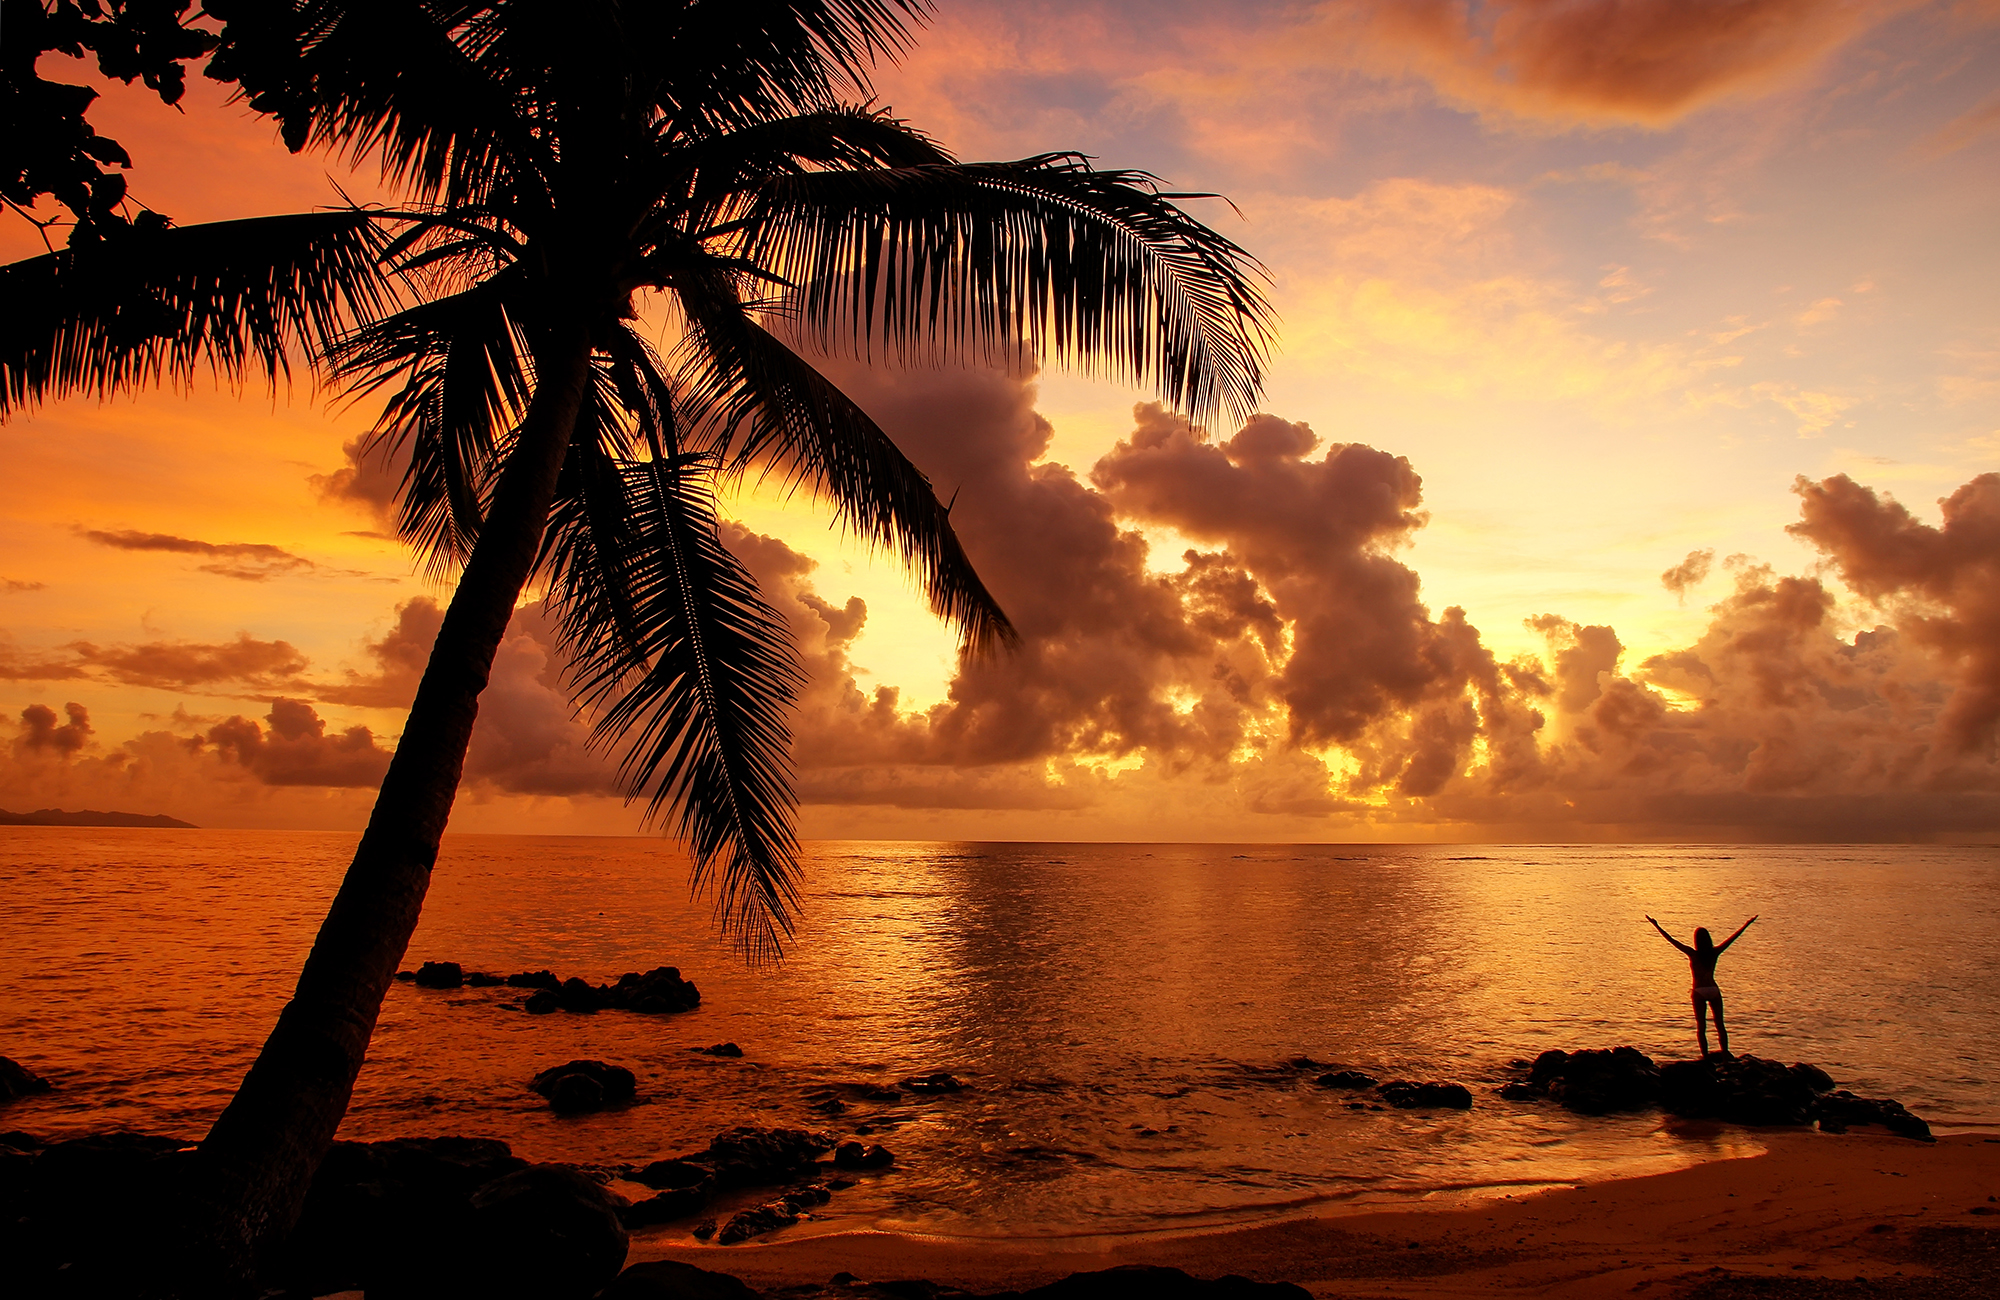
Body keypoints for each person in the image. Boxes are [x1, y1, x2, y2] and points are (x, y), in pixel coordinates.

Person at [1647, 914, 1757, 1058]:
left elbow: (1672, 940)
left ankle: (1705, 1057)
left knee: (1701, 1027)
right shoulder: (1714, 952)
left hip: (1699, 990)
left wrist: (1656, 926)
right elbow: (1732, 938)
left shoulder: (1693, 954)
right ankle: (1725, 1054)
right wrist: (1747, 924)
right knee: (1720, 1025)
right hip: (1713, 989)